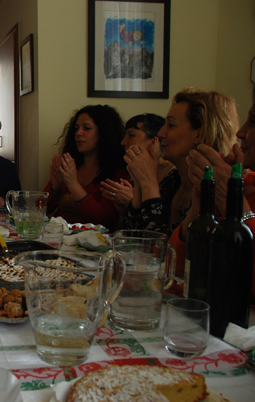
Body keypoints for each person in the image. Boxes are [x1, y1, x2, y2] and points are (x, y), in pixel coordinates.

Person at [173, 87, 255, 299]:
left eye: (253, 122)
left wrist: (236, 209)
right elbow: (177, 269)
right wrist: (200, 210)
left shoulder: (236, 188)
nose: (240, 133)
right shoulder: (246, 184)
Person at [123, 88, 238, 238]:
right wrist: (139, 183)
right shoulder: (174, 179)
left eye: (171, 125)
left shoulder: (215, 188)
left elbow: (162, 246)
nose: (161, 133)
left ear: (199, 134)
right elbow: (132, 238)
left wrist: (149, 182)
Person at [43, 105, 128, 230]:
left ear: (104, 133)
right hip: (58, 234)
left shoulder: (117, 174)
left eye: (87, 128)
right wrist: (54, 187)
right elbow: (39, 211)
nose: (79, 133)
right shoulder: (69, 165)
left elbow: (103, 219)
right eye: (76, 128)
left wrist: (73, 184)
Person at [99, 113, 174, 229]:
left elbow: (161, 232)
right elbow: (129, 231)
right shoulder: (134, 174)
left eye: (131, 135)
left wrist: (133, 202)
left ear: (153, 142)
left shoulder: (174, 178)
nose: (123, 142)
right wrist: (125, 211)